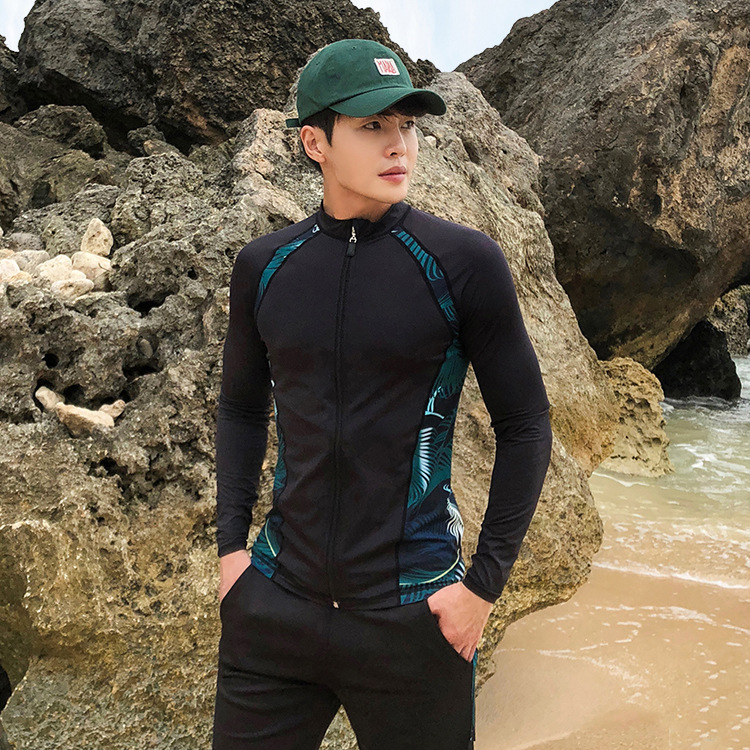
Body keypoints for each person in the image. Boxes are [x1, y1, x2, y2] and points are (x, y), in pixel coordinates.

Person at [211, 38, 553, 750]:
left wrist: (481, 590)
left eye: (407, 125)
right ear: (315, 142)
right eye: (372, 125)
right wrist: (230, 554)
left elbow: (526, 423)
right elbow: (241, 408)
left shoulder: (463, 263)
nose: (399, 144)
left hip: (416, 620)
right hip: (274, 608)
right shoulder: (264, 266)